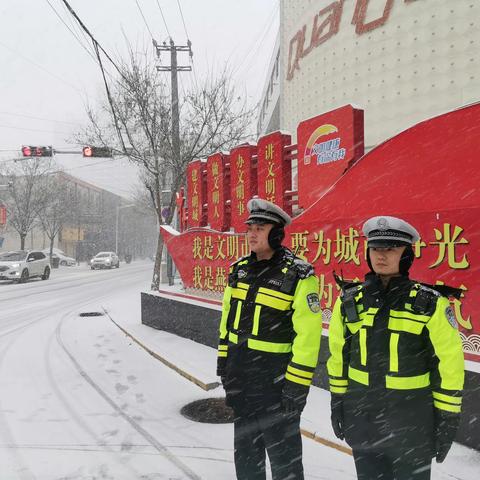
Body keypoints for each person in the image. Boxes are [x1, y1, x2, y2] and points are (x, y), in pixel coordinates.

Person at [327, 215, 465, 480]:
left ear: (407, 255)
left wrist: (447, 417)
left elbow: (449, 364)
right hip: (363, 422)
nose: (381, 255)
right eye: (376, 248)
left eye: (391, 248)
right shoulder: (349, 301)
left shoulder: (430, 304)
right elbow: (338, 355)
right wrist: (337, 399)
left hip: (411, 427)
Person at [216, 197, 322, 480]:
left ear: (277, 233)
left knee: (285, 464)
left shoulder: (298, 275)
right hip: (242, 383)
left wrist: (296, 386)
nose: (251, 233)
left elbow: (308, 338)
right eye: (250, 227)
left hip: (277, 389)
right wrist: (224, 365)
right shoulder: (238, 270)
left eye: (260, 227)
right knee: (247, 461)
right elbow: (227, 323)